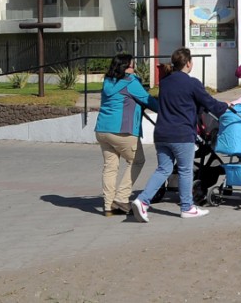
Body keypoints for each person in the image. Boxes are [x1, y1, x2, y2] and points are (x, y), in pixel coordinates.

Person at [133, 47, 228, 220]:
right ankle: (187, 207)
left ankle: (143, 200)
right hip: (182, 134)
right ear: (189, 63)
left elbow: (182, 103)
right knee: (185, 170)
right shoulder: (192, 83)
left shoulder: (165, 82)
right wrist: (226, 106)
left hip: (161, 133)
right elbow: (210, 104)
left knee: (163, 169)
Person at [94, 53, 155, 217]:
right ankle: (121, 197)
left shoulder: (108, 81)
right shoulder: (130, 82)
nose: (133, 68)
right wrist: (170, 110)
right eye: (131, 65)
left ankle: (108, 206)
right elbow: (149, 100)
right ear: (125, 67)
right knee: (137, 160)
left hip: (102, 130)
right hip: (122, 131)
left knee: (110, 167)